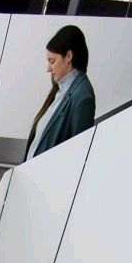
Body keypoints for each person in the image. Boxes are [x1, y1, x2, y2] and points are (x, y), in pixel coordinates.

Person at [26, 25, 96, 161]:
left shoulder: (83, 96)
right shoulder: (61, 89)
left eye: (52, 61)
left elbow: (78, 153)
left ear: (69, 56)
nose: (48, 69)